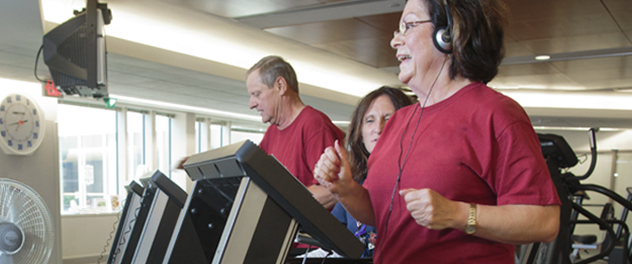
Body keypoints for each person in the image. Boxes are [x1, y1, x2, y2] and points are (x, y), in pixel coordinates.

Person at [313, 0, 561, 263]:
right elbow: (379, 214)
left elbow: (544, 221)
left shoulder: (495, 113)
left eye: (408, 26)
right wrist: (345, 188)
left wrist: (457, 214)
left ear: (448, 33)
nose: (395, 41)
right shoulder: (398, 122)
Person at [247, 55, 344, 210]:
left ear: (280, 86)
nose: (251, 104)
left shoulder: (314, 125)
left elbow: (332, 192)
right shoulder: (272, 131)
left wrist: (283, 204)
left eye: (257, 94)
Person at [332, 86, 413, 258]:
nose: (379, 128)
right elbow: (330, 238)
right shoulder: (355, 183)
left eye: (389, 119)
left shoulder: (414, 181)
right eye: (370, 120)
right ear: (360, 134)